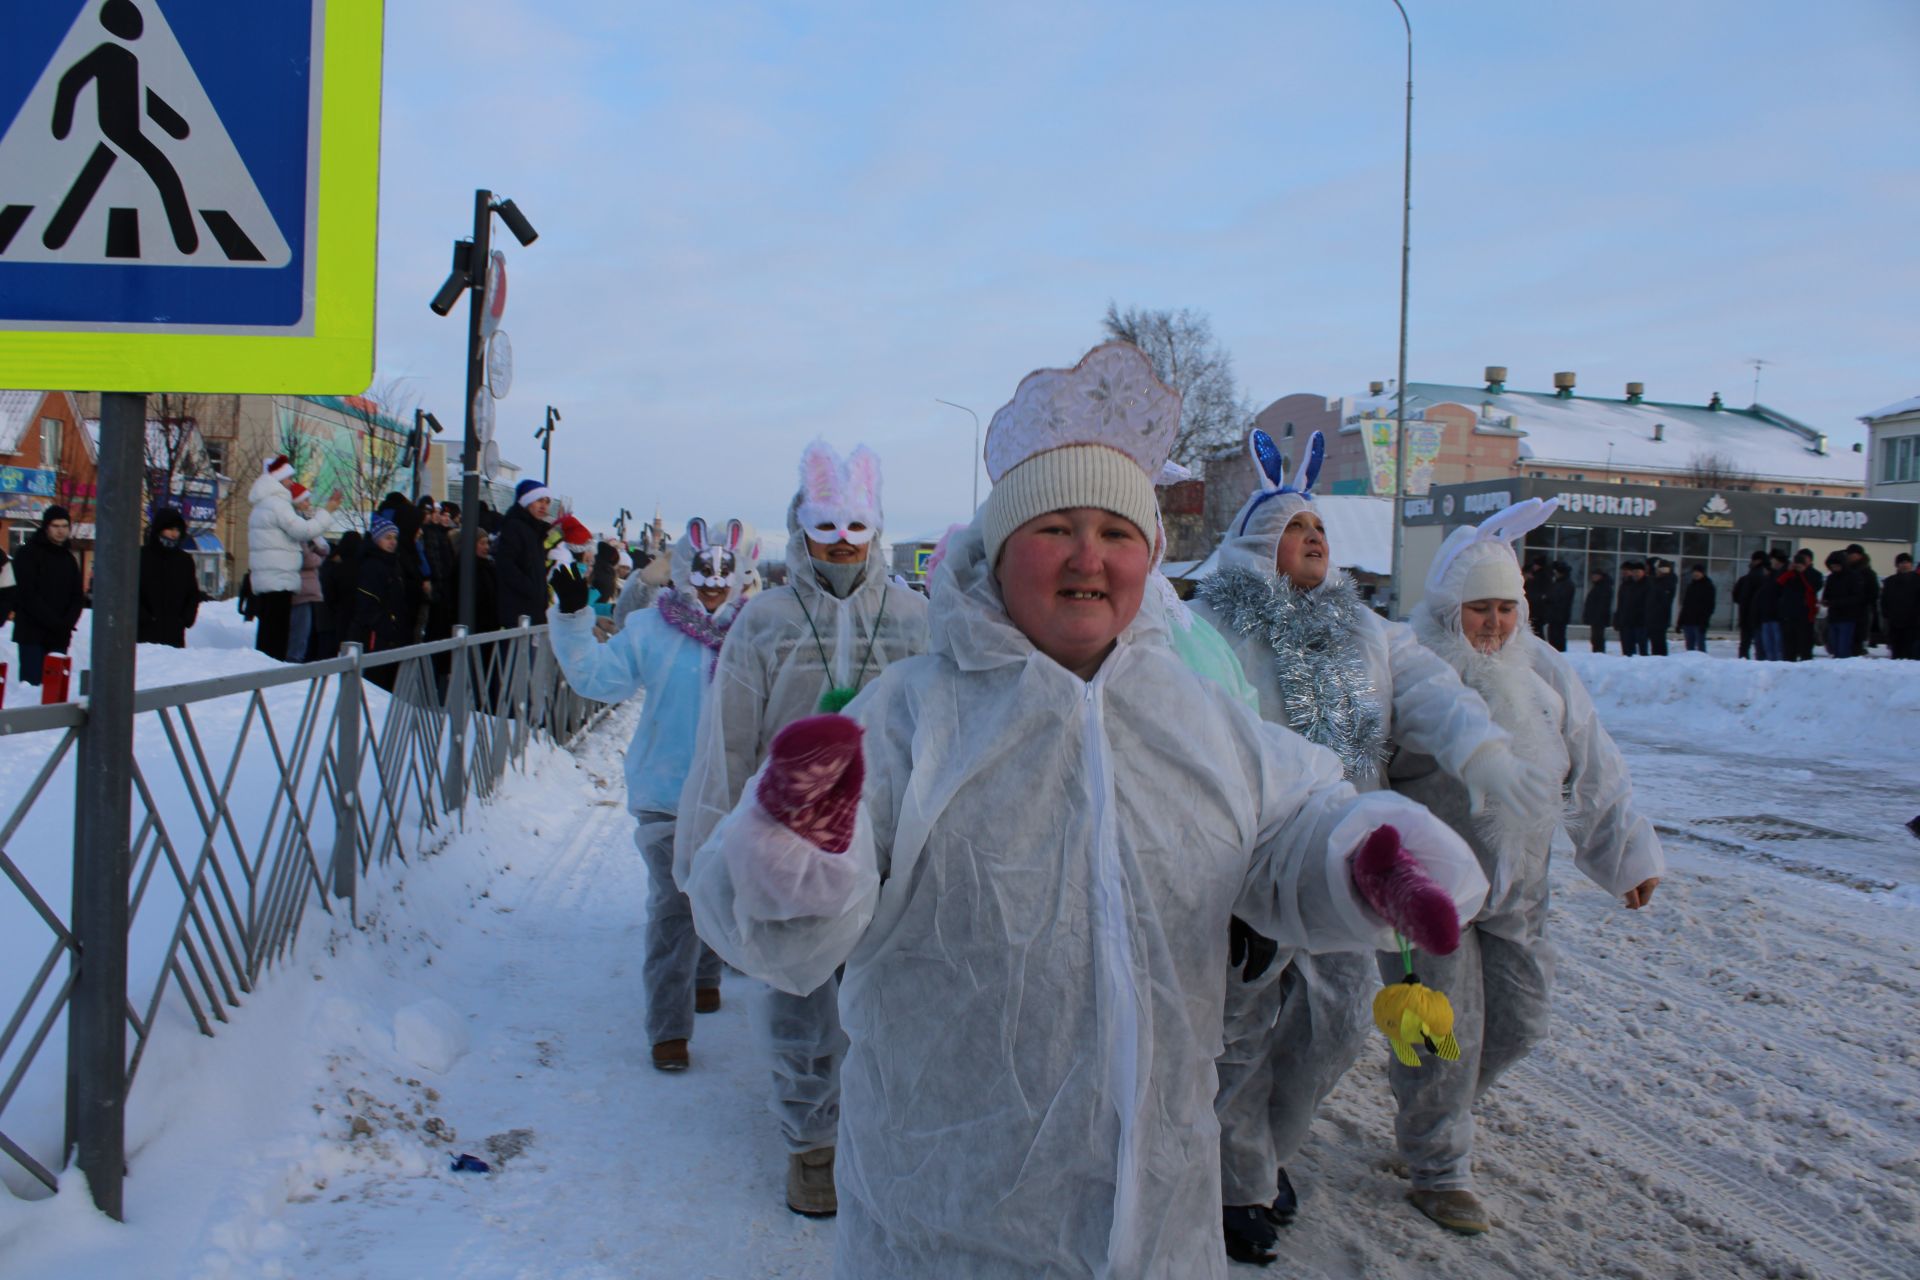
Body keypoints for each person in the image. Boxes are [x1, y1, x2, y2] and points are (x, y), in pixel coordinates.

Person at [678, 343, 1488, 1278]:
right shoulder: (911, 719)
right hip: (949, 1222)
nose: (1088, 558)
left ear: (1150, 554)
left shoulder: (1196, 718)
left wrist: (1365, 857)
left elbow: (1293, 823)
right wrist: (793, 851)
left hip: (1158, 1224)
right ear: (1000, 549)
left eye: (1116, 531)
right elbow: (780, 941)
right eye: (1055, 527)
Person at [1190, 428, 1541, 1264]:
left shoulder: (1369, 632)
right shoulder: (1212, 628)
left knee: (1339, 1023)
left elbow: (1431, 690)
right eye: (1291, 525)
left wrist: (1481, 750)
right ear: (1252, 542)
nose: (1314, 537)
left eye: (1319, 527)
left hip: (1346, 861)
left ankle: (1266, 1153)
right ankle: (1232, 1181)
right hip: (1249, 860)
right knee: (1238, 1030)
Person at [1389, 497, 1664, 1236]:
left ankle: (1434, 1111)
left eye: (1507, 609)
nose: (1495, 625)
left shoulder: (1543, 672)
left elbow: (1595, 769)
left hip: (1520, 886)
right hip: (1429, 894)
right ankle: (1438, 1167)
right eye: (1480, 609)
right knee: (1442, 1032)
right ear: (1448, 609)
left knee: (1519, 1023)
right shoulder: (1409, 667)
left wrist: (1623, 853)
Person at [676, 438, 930, 1218]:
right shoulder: (767, 619)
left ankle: (883, 1130)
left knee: (893, 989)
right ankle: (811, 1142)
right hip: (793, 837)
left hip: (892, 834)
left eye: (857, 526)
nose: (843, 541)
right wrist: (715, 839)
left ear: (876, 526)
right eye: (827, 526)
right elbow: (727, 735)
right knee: (800, 986)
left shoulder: (918, 617)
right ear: (803, 525)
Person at [549, 517, 757, 1072]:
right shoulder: (650, 629)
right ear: (686, 571)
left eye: (725, 571)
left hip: (735, 793)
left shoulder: (757, 631)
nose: (714, 582)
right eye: (703, 569)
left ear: (739, 574)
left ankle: (706, 977)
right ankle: (669, 1029)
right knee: (673, 906)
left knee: (719, 891)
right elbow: (597, 679)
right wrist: (573, 619)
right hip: (666, 791)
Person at [247, 456, 339, 659]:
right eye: (289, 478)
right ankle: (272, 681)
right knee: (276, 642)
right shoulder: (277, 505)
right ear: (278, 479)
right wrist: (328, 511)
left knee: (268, 637)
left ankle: (263, 676)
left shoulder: (261, 506)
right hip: (279, 579)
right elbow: (303, 531)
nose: (291, 483)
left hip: (268, 579)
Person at [11, 505, 86, 682]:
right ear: (46, 527)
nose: (60, 531)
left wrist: (68, 622)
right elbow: (26, 594)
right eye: (55, 526)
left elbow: (77, 595)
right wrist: (54, 622)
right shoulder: (28, 553)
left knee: (55, 690)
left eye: (64, 526)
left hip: (60, 636)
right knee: (33, 689)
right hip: (32, 634)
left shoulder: (69, 558)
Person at [350, 514, 411, 685]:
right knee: (377, 683)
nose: (392, 542)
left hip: (393, 634)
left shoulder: (394, 563)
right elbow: (366, 604)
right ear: (377, 539)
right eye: (387, 538)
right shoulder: (371, 565)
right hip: (376, 636)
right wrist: (384, 624)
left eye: (394, 538)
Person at [137, 506, 203, 647]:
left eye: (177, 530)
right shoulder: (141, 557)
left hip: (175, 634)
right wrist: (144, 617)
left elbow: (192, 594)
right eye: (170, 529)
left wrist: (185, 618)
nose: (174, 534)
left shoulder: (184, 560)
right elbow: (130, 593)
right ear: (159, 529)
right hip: (145, 636)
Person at [494, 479, 553, 629]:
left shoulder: (536, 531)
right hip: (518, 611)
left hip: (533, 610)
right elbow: (506, 564)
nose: (543, 505)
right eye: (539, 500)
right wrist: (531, 588)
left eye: (547, 501)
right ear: (527, 501)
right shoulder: (515, 527)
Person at [1779, 551, 1817, 662]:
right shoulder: (1790, 574)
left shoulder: (1814, 574)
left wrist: (1803, 573)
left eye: (1803, 560)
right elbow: (1778, 584)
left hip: (1805, 616)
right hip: (1789, 615)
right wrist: (1787, 571)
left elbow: (1812, 588)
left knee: (1805, 647)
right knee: (1789, 648)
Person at [1732, 551, 1769, 659]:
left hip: (1748, 615)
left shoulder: (1748, 578)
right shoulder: (1764, 577)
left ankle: (1744, 664)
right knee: (1760, 646)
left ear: (1758, 560)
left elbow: (1737, 596)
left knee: (1745, 644)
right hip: (1759, 616)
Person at [1883, 552, 1917, 659]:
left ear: (1911, 564)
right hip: (1895, 622)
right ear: (1897, 565)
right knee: (1897, 651)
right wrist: (1887, 614)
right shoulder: (1890, 581)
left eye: (1907, 562)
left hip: (1914, 623)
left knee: (1912, 652)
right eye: (1901, 562)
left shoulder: (1917, 580)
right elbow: (1884, 600)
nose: (1904, 565)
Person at [1759, 549, 1791, 660]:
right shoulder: (1771, 575)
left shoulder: (1784, 574)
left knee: (1777, 648)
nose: (1771, 562)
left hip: (1778, 616)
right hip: (1768, 615)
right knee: (1769, 648)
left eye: (1772, 560)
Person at [1677, 564, 1716, 653]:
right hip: (1688, 622)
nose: (1696, 574)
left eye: (1698, 572)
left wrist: (1704, 622)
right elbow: (1685, 605)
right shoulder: (1690, 586)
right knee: (1689, 648)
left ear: (1703, 573)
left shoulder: (1708, 586)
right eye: (1694, 572)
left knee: (1700, 647)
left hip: (1699, 622)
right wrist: (1680, 622)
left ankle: (1702, 664)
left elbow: (1710, 606)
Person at [1644, 558, 1677, 656]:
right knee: (1654, 644)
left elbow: (1663, 602)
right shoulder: (1655, 582)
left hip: (1660, 619)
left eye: (1658, 569)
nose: (1656, 572)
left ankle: (1661, 661)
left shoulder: (1667, 582)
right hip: (1652, 618)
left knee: (1659, 643)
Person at [1613, 560, 1648, 656]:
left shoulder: (1645, 585)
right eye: (1623, 570)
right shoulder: (1625, 585)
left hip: (1640, 621)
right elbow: (1621, 604)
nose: (1624, 572)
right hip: (1626, 620)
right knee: (1627, 648)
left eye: (1627, 570)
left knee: (1641, 647)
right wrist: (1618, 619)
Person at [1545, 561, 1574, 652]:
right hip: (1555, 615)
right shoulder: (1558, 583)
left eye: (1556, 573)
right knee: (1553, 636)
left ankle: (1559, 653)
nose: (1555, 575)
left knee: (1558, 637)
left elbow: (1561, 599)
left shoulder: (1566, 584)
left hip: (1560, 615)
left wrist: (1549, 598)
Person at [1583, 566, 1612, 653]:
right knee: (1595, 637)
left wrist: (1597, 615)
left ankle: (1599, 653)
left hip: (1600, 617)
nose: (1593, 577)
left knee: (1598, 637)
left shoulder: (1604, 587)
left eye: (1595, 575)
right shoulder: (1597, 587)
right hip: (1595, 617)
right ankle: (1597, 652)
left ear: (1600, 576)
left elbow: (1602, 604)